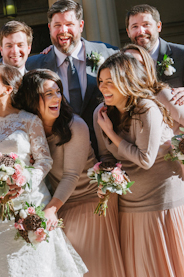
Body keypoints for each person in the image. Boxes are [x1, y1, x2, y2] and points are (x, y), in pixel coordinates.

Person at [0, 63, 87, 276]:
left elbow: (44, 160)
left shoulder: (29, 121)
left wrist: (23, 181)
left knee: (41, 267)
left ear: (7, 88)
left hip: (32, 204)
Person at [94, 52, 184, 276]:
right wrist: (107, 177)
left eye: (109, 82)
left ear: (125, 81)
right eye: (100, 82)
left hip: (163, 201)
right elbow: (105, 156)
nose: (103, 87)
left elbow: (145, 159)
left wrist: (111, 133)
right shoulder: (101, 113)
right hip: (130, 204)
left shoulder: (147, 108)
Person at [15, 69, 125, 277]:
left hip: (91, 201)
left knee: (88, 269)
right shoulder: (27, 129)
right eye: (49, 94)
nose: (57, 97)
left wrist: (50, 211)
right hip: (60, 204)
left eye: (58, 92)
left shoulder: (75, 125)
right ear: (31, 98)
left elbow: (71, 175)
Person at [123, 43, 184, 259]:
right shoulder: (132, 103)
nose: (134, 68)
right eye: (128, 64)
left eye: (139, 63)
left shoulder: (164, 95)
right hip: (169, 183)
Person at [25, 0, 117, 154]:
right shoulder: (33, 66)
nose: (63, 30)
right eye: (57, 25)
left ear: (81, 25)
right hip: (59, 153)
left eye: (69, 24)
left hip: (109, 149)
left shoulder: (109, 54)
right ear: (49, 28)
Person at [126, 4, 184, 114]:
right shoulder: (123, 62)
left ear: (159, 26)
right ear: (128, 32)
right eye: (135, 26)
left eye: (146, 25)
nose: (141, 31)